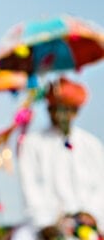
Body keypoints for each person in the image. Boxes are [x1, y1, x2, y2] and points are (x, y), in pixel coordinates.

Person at [16, 77, 104, 240]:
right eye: (54, 109)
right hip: (44, 226)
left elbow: (100, 188)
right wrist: (44, 224)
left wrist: (91, 214)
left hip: (87, 222)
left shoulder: (91, 145)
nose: (59, 115)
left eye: (65, 110)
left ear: (75, 111)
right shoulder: (32, 143)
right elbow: (30, 189)